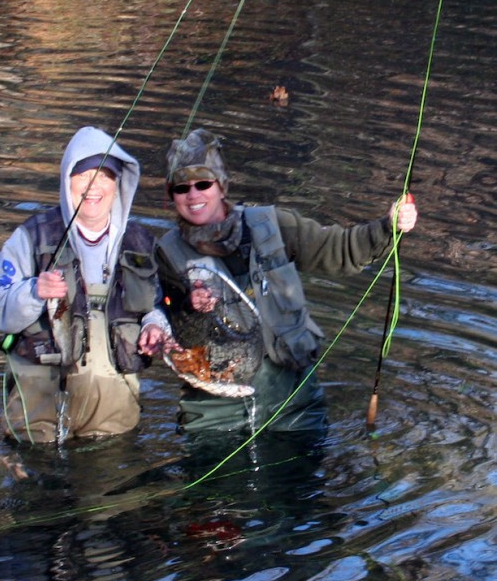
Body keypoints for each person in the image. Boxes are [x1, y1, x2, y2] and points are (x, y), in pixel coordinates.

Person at [140, 128, 418, 436]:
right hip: (213, 411)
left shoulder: (272, 224)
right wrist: (193, 309)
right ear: (171, 196)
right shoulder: (166, 253)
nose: (193, 195)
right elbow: (183, 337)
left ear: (221, 186)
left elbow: (338, 250)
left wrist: (387, 226)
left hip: (293, 401)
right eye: (181, 188)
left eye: (203, 183)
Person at [0, 126, 170, 444]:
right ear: (67, 179)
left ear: (118, 183)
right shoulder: (32, 236)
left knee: (113, 485)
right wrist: (32, 292)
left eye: (103, 175)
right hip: (38, 409)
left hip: (113, 415)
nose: (92, 187)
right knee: (37, 486)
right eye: (81, 175)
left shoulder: (142, 243)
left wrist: (155, 325)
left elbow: (160, 304)